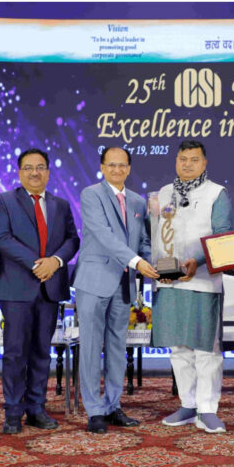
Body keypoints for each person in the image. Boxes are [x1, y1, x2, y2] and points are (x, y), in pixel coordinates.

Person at [0, 148, 79, 434]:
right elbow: (2, 238)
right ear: (19, 172)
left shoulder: (61, 205)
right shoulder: (4, 201)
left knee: (42, 351)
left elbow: (72, 239)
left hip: (50, 288)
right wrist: (37, 264)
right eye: (28, 168)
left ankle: (36, 408)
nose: (34, 173)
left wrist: (55, 261)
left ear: (48, 172)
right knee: (15, 352)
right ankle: (13, 411)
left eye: (40, 167)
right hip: (16, 288)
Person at [74, 147, 159, 434]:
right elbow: (104, 235)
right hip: (94, 282)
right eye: (111, 165)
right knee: (90, 347)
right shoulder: (91, 195)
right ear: (102, 167)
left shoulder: (138, 201)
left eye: (122, 165)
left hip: (124, 284)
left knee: (117, 348)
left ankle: (112, 405)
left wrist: (158, 263)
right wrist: (137, 262)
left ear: (129, 168)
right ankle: (94, 410)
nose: (117, 170)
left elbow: (143, 240)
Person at [151, 142, 233, 434]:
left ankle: (207, 408)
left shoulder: (216, 193)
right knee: (178, 347)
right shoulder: (163, 193)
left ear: (204, 163)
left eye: (194, 159)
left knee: (205, 348)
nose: (187, 164)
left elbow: (222, 236)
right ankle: (188, 404)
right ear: (176, 161)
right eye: (183, 159)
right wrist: (155, 266)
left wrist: (196, 261)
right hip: (168, 281)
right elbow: (155, 234)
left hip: (203, 281)